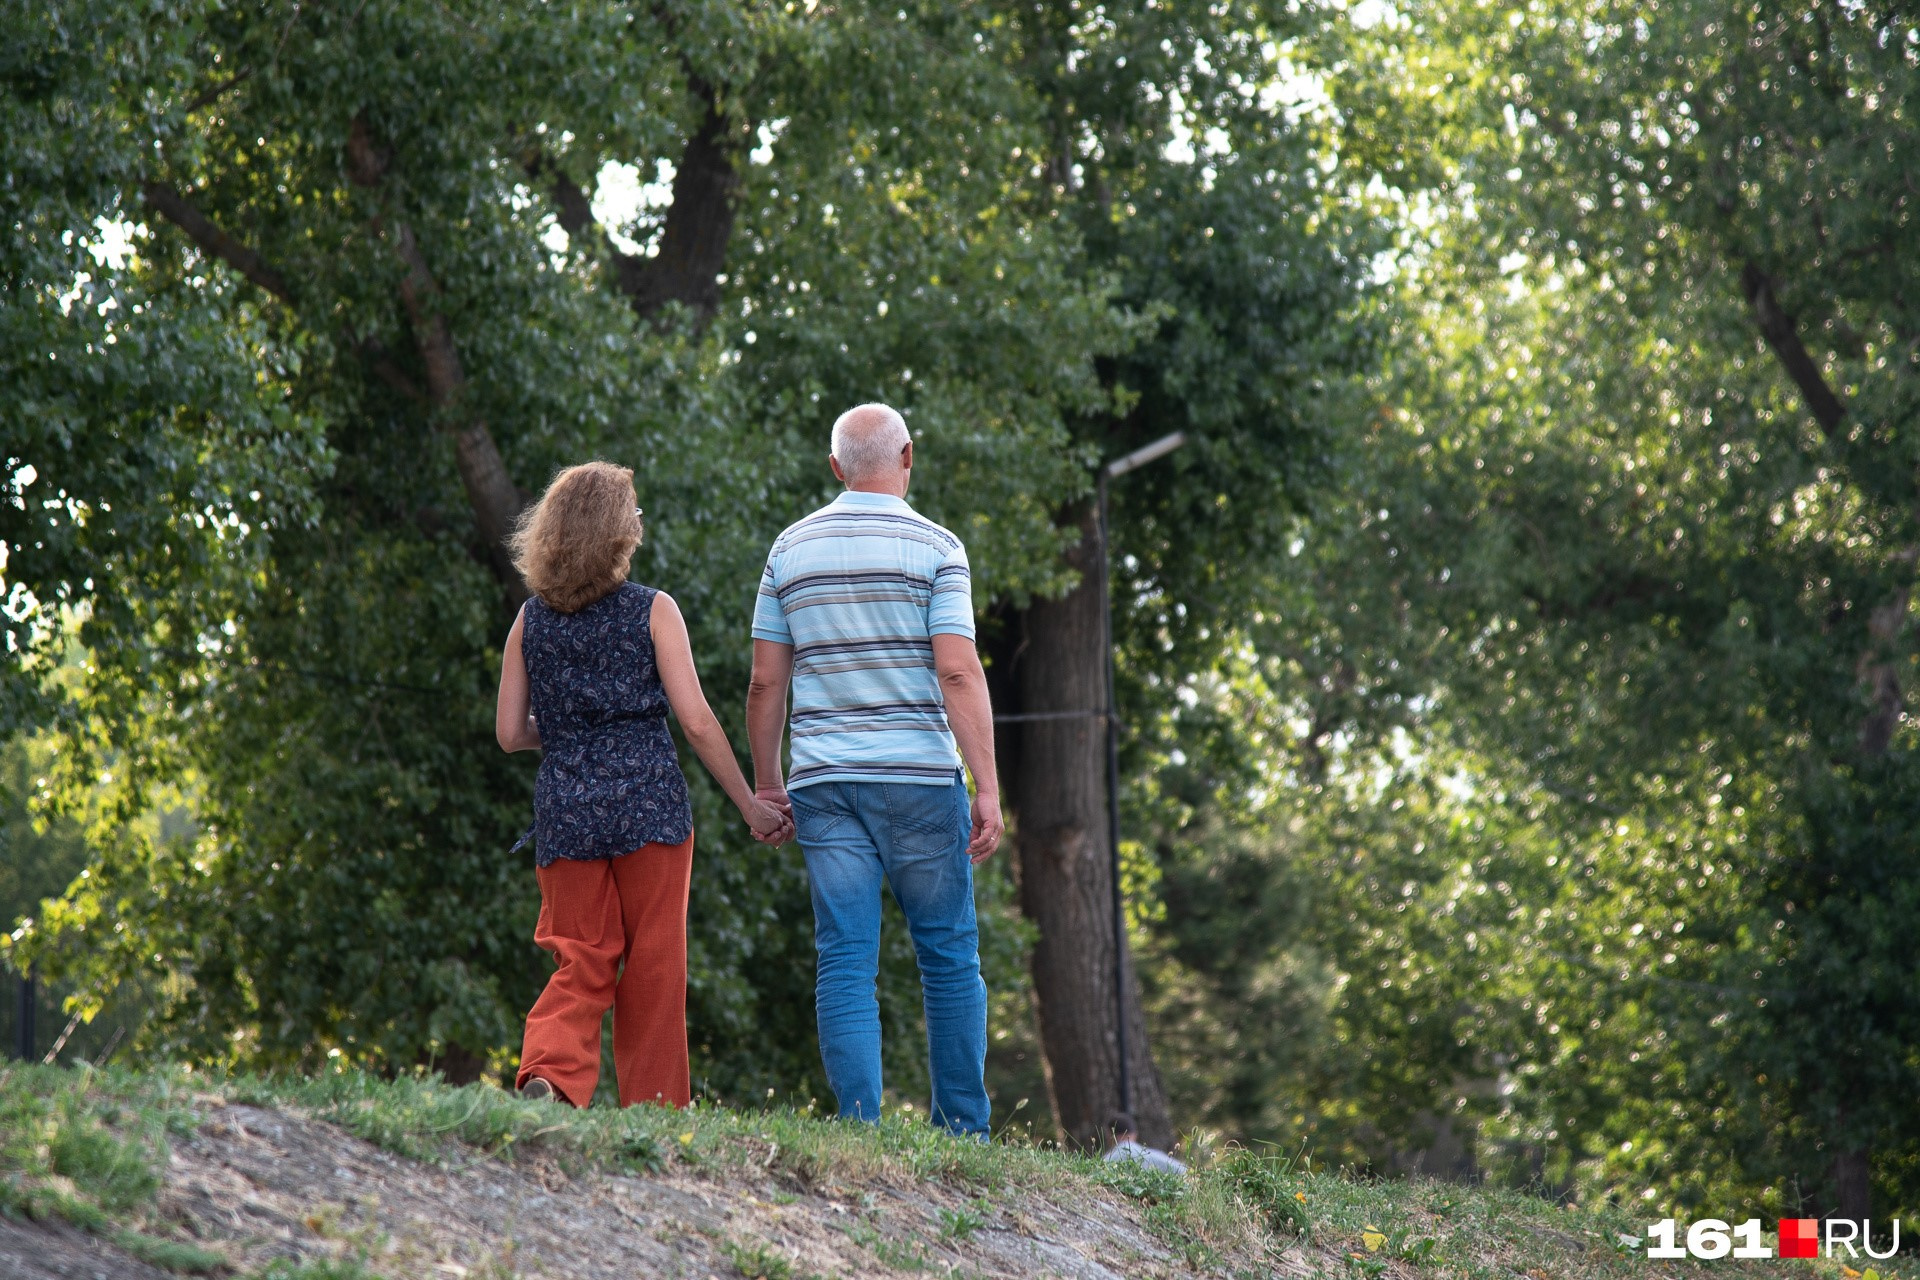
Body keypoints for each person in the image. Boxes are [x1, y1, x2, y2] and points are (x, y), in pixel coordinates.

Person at [496, 461, 792, 1109]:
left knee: (580, 957)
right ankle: (655, 1110)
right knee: (656, 964)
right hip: (649, 807)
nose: (639, 522)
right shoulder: (653, 610)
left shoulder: (529, 621)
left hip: (566, 815)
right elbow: (697, 721)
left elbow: (510, 734)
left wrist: (573, 727)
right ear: (614, 532)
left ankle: (550, 1075)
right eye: (633, 512)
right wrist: (750, 802)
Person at [746, 403, 1003, 1137]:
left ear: (836, 469)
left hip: (825, 783)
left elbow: (767, 684)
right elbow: (958, 672)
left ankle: (858, 1130)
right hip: (921, 778)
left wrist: (769, 782)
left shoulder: (789, 550)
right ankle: (963, 1132)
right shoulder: (937, 549)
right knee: (949, 954)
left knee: (846, 958)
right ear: (908, 456)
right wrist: (987, 787)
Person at [1103, 1112, 1188, 1175]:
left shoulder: (1113, 1156)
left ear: (1109, 1134)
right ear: (1134, 1134)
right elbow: (1183, 1171)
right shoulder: (1153, 1155)